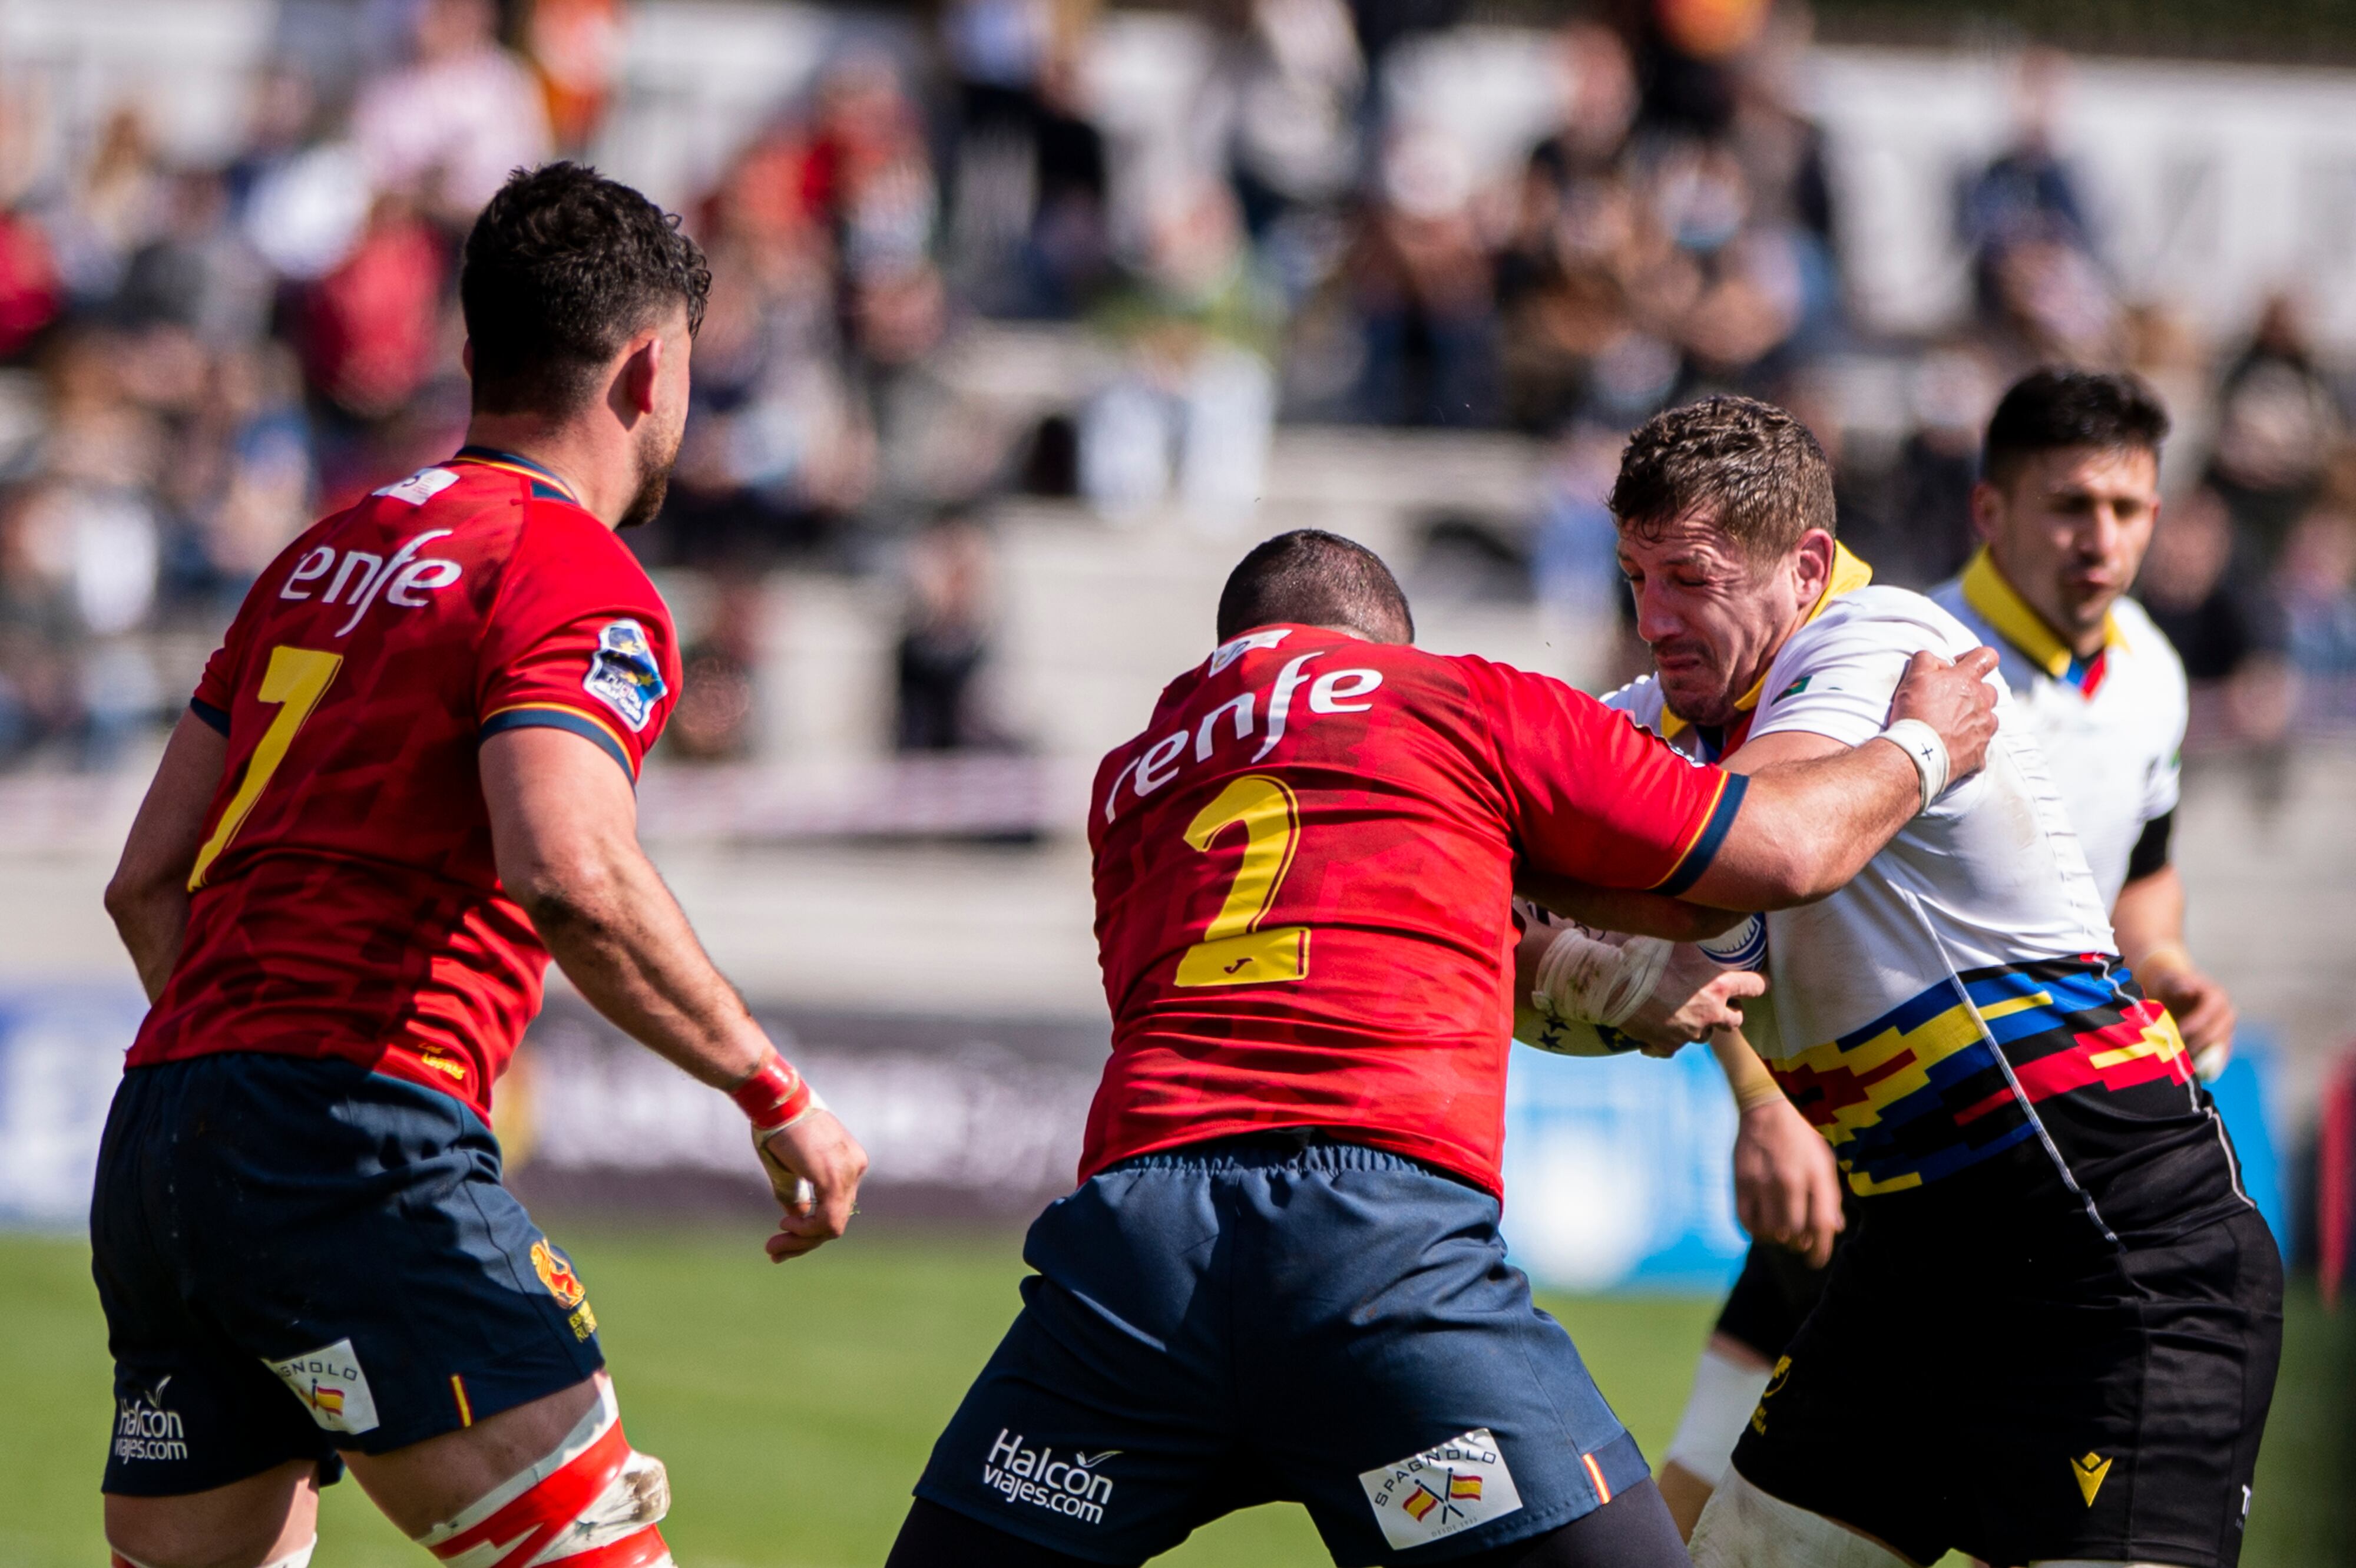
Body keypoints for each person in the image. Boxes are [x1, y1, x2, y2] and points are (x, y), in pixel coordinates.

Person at [885, 525, 2002, 1567]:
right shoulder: (1456, 698)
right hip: (1371, 1258)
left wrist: (1589, 961)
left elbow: (1326, 926)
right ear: (1388, 644)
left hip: (1134, 1264)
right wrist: (1923, 746)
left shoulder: (1135, 779)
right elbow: (1777, 852)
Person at [94, 163, 868, 1568]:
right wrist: (776, 1090)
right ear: (649, 371)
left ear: (473, 355)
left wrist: (239, 1095)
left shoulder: (320, 555)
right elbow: (566, 869)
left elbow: (147, 883)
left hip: (164, 1138)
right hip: (354, 1137)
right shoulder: (568, 568)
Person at [1538, 396, 2276, 1568]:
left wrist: (1541, 913)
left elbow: (1743, 861)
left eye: (1688, 579)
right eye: (1634, 577)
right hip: (1913, 1258)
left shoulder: (1881, 645)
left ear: (1807, 567)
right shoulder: (1679, 714)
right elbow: (1532, 814)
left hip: (2109, 1244)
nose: (1651, 619)